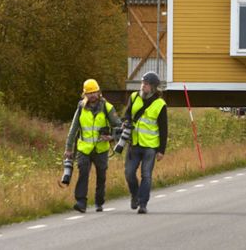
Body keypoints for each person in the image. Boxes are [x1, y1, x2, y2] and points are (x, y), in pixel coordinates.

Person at [64, 78, 122, 213]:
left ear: (99, 93)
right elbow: (73, 129)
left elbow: (119, 126)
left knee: (101, 176)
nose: (92, 96)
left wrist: (111, 137)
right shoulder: (81, 107)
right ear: (85, 95)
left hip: (101, 149)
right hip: (84, 149)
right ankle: (81, 202)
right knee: (83, 174)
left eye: (94, 92)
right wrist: (68, 148)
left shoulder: (107, 107)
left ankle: (99, 201)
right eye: (89, 93)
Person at [124, 71, 168, 214]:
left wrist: (161, 150)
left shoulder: (160, 104)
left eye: (146, 84)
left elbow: (163, 129)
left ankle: (143, 203)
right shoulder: (133, 97)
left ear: (154, 87)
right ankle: (135, 195)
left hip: (150, 146)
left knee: (146, 175)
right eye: (142, 83)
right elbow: (127, 116)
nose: (143, 86)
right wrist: (126, 123)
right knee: (129, 173)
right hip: (134, 144)